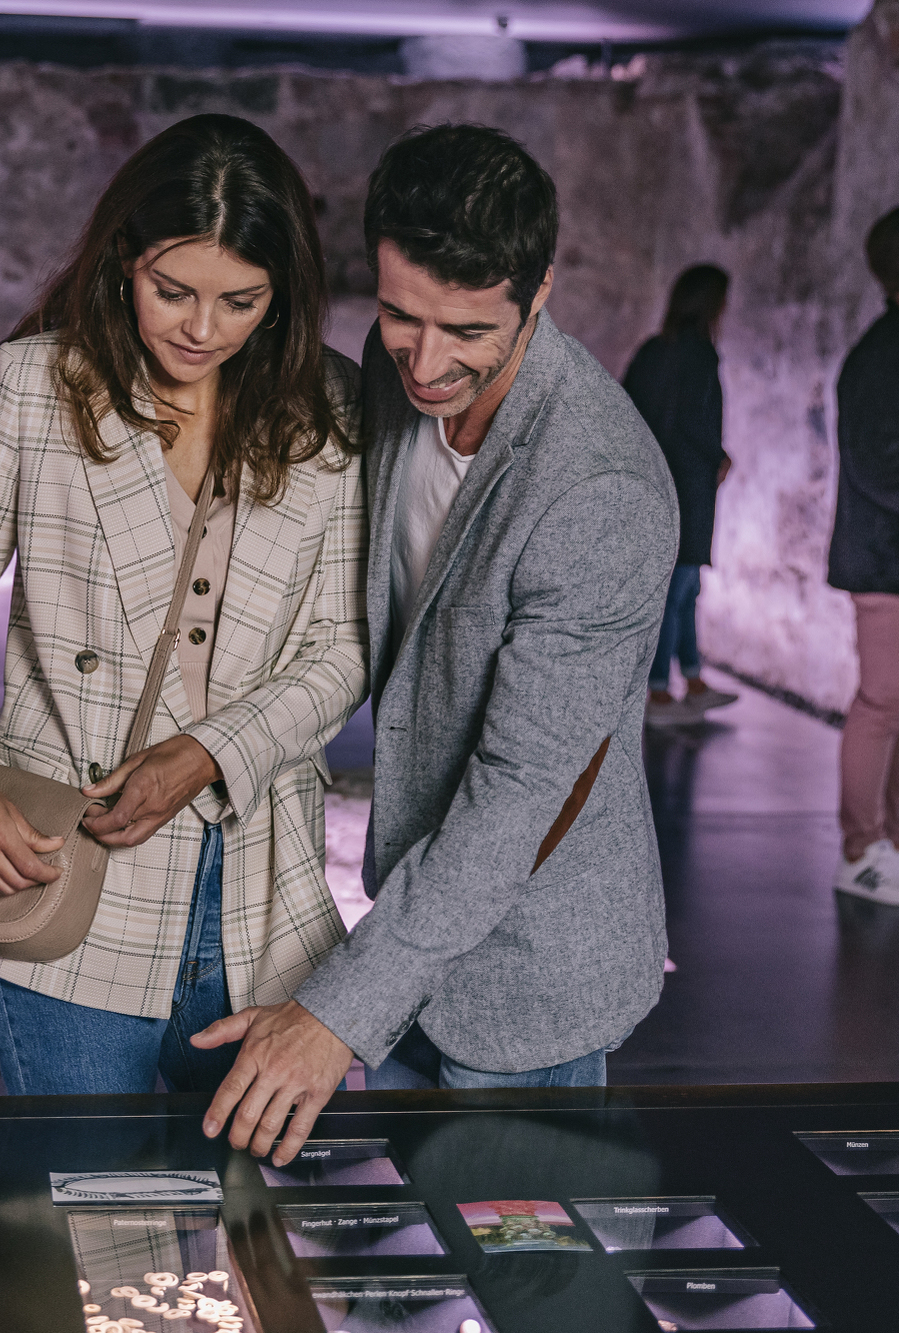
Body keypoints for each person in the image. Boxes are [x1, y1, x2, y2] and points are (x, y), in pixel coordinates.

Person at [195, 124, 677, 1164]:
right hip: (406, 920)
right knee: (417, 1281)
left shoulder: (597, 492)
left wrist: (335, 1013)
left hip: (531, 976)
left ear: (538, 292)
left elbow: (518, 795)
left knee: (536, 1299)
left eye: (465, 329)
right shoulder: (391, 364)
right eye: (399, 314)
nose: (423, 358)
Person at [0, 114, 366, 1099]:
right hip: (69, 890)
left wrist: (203, 754)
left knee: (260, 1235)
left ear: (282, 297)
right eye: (171, 290)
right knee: (94, 1231)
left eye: (239, 301)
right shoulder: (32, 388)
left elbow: (344, 645)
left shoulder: (330, 407)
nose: (199, 329)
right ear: (121, 263)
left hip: (262, 903)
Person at [830, 204, 899, 907]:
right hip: (888, 563)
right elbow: (880, 467)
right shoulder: (886, 354)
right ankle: (859, 852)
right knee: (883, 702)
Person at [624, 265, 740, 726]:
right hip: (687, 486)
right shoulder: (699, 354)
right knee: (676, 591)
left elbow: (627, 409)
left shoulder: (654, 350)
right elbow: (697, 421)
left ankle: (691, 681)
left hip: (653, 483)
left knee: (685, 587)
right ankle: (657, 695)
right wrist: (718, 457)